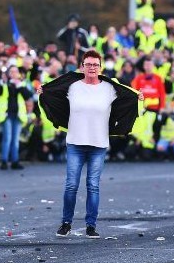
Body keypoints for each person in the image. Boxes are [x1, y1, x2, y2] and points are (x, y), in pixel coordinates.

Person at [38, 50, 141, 239]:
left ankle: (91, 226)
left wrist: (137, 98)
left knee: (93, 185)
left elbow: (128, 96)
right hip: (75, 143)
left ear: (100, 67)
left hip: (98, 144)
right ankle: (66, 223)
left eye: (95, 64)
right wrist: (44, 93)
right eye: (88, 64)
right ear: (82, 67)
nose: (92, 68)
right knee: (71, 185)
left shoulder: (110, 89)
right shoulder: (72, 86)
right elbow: (54, 94)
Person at [0, 66, 32, 170]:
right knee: (7, 138)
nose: (14, 73)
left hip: (18, 115)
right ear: (8, 73)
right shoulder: (3, 84)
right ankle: (4, 161)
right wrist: (3, 81)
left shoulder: (21, 84)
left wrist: (19, 85)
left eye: (16, 71)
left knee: (15, 139)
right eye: (11, 71)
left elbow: (28, 96)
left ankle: (15, 161)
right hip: (6, 115)